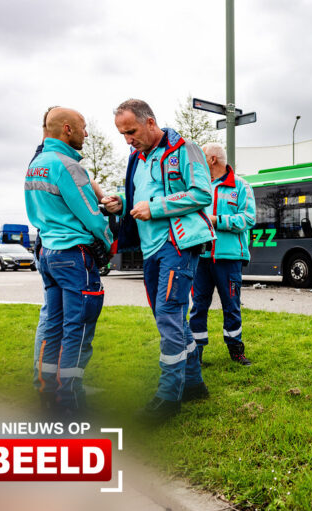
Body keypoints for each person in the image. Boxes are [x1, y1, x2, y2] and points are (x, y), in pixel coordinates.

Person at [102, 99, 215, 422]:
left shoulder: (186, 148)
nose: (127, 139)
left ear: (150, 122)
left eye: (131, 131)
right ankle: (193, 385)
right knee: (172, 317)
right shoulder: (137, 157)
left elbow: (202, 194)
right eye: (122, 134)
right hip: (150, 248)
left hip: (178, 243)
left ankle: (168, 396)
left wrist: (157, 207)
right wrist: (120, 202)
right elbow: (141, 196)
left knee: (168, 314)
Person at [24, 107, 113, 417]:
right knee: (77, 328)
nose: (86, 134)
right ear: (67, 129)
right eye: (84, 128)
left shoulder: (36, 165)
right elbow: (90, 214)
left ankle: (46, 391)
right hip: (74, 257)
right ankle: (69, 399)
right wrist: (108, 239)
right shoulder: (68, 166)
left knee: (51, 325)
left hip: (48, 254)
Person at [189, 143, 256, 366]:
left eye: (202, 158)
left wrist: (219, 221)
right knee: (198, 305)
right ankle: (196, 354)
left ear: (213, 160)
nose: (199, 163)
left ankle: (236, 350)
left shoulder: (241, 186)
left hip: (229, 259)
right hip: (201, 257)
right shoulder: (199, 186)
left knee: (231, 305)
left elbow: (248, 219)